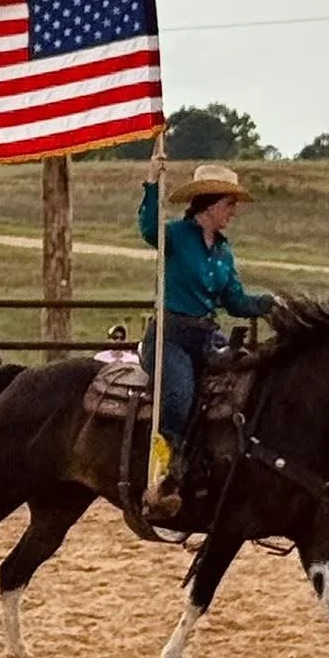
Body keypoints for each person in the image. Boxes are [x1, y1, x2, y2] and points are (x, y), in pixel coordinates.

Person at [137, 160, 273, 519]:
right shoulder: (176, 236)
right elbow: (149, 229)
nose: (233, 212)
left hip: (205, 337)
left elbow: (236, 301)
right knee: (179, 395)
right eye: (230, 205)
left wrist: (270, 305)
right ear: (211, 205)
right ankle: (167, 474)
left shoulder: (223, 252)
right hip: (170, 335)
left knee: (239, 389)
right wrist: (152, 182)